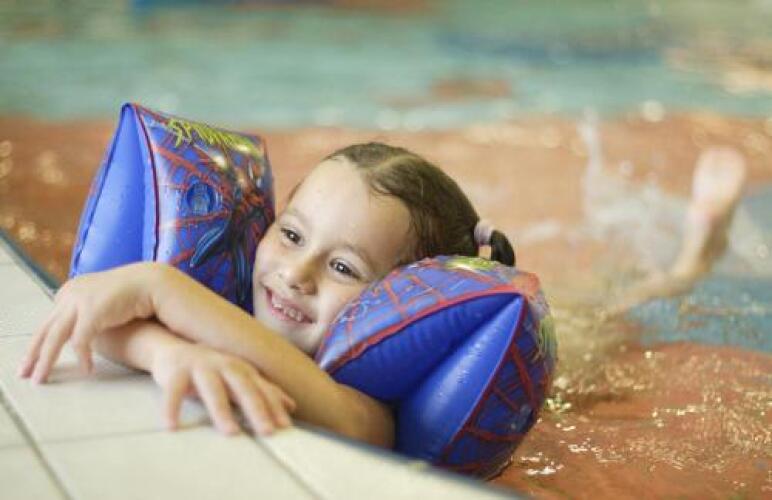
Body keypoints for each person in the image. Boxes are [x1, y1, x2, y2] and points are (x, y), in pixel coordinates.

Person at [17, 142, 516, 448]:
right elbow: (93, 316)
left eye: (344, 267)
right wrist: (166, 352)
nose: (296, 273)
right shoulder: (237, 306)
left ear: (403, 305)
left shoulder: (371, 413)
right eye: (292, 235)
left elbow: (346, 422)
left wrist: (159, 286)